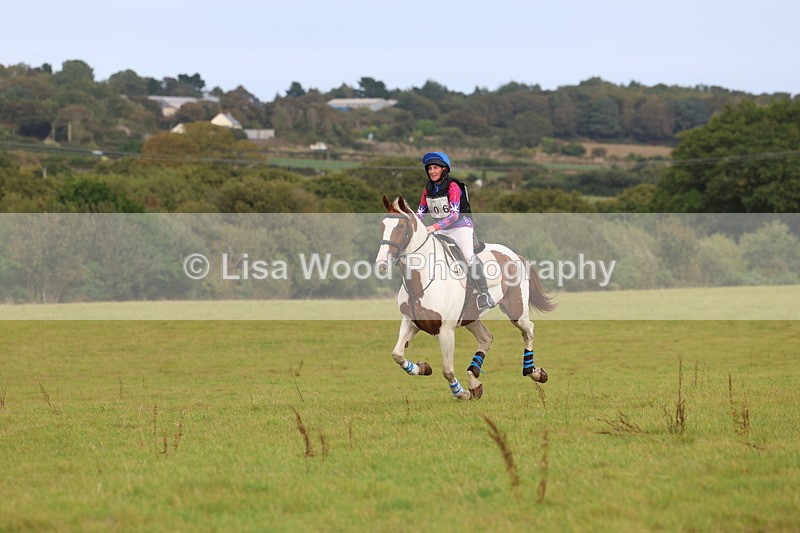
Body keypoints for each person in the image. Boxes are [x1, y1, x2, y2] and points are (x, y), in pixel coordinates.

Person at [416, 151, 496, 311]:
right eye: (430, 168)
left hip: (461, 227)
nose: (432, 171)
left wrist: (433, 228)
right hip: (441, 229)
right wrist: (413, 227)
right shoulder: (428, 189)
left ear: (444, 169)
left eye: (435, 168)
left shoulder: (453, 187)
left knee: (468, 256)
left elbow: (454, 215)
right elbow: (420, 212)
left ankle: (485, 294)